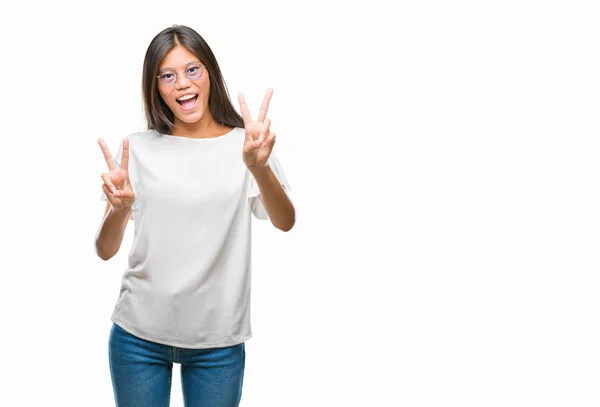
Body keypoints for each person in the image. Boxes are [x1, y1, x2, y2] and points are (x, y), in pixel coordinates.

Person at [95, 24, 295, 407]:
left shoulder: (247, 146)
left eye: (193, 69)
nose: (182, 84)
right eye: (167, 76)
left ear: (210, 74)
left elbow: (285, 221)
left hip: (218, 343)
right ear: (155, 88)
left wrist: (259, 168)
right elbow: (104, 250)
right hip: (138, 338)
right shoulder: (135, 149)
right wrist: (119, 211)